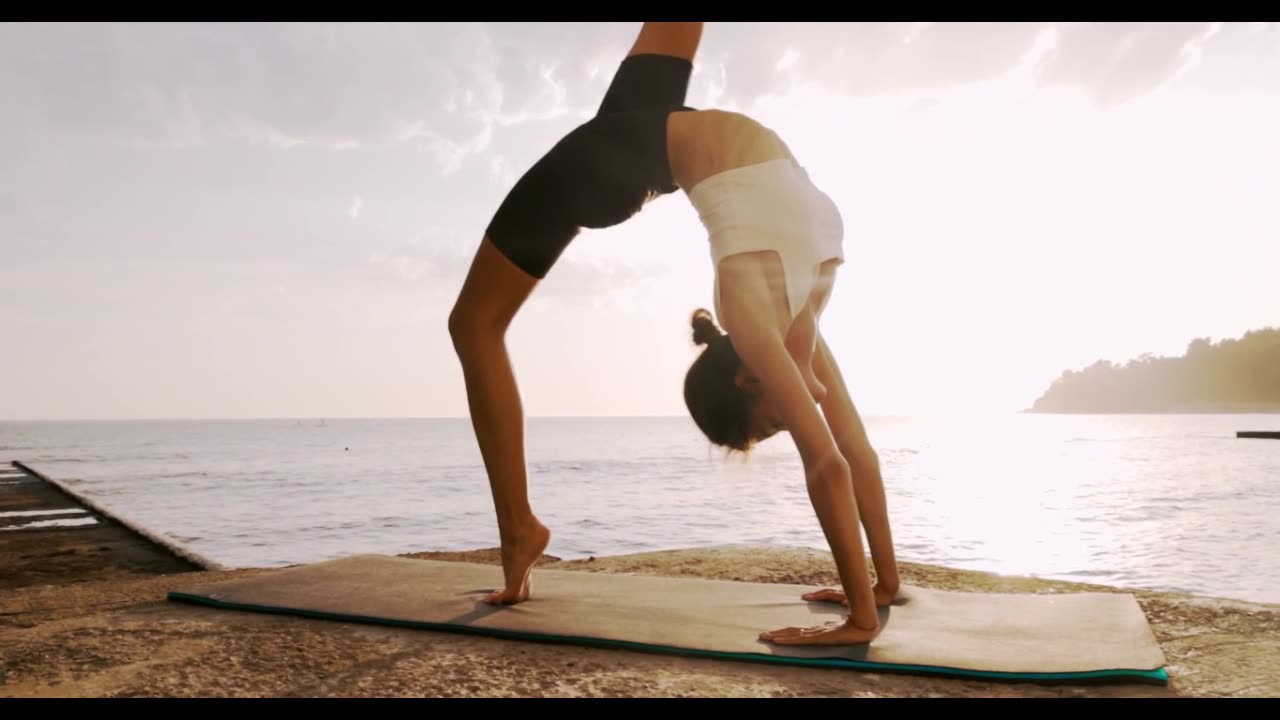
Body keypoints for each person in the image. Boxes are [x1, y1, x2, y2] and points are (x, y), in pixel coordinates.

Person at [448, 21, 705, 607]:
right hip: (616, 152)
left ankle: (518, 530)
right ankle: (517, 532)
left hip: (602, 163)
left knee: (474, 325)